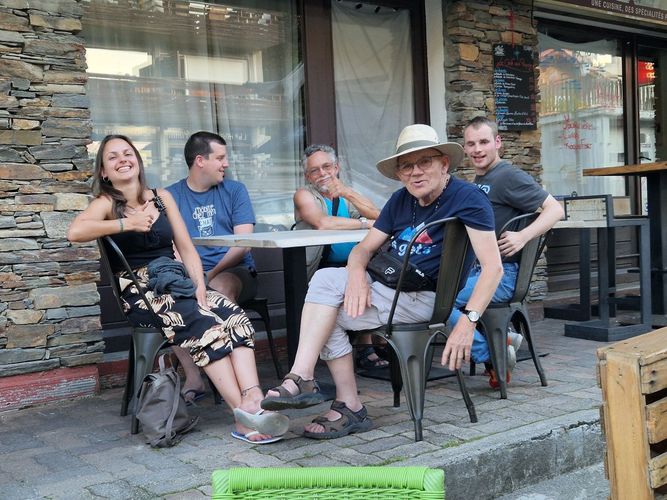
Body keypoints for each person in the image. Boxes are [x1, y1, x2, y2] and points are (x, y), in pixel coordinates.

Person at [260, 124, 503, 439]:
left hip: (424, 297)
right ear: (399, 174)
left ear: (444, 164)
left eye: (425, 162)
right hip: (387, 287)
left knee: (323, 301)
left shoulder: (468, 198)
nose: (415, 172)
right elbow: (363, 249)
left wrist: (468, 322)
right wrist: (356, 275)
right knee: (324, 299)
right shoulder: (401, 200)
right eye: (406, 166)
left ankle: (320, 388)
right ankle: (329, 393)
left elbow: (493, 268)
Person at [67, 134, 288, 444]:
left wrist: (200, 287)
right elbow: (76, 231)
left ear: (138, 161)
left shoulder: (162, 198)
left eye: (128, 153)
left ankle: (254, 399)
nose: (122, 160)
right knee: (204, 324)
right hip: (141, 292)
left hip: (176, 280)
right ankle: (240, 416)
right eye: (112, 157)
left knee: (232, 314)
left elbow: (186, 248)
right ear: (104, 171)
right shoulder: (106, 203)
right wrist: (127, 224)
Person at [452, 116, 564, 389]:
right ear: (464, 148)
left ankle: (493, 353)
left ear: (498, 142)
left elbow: (555, 210)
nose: (477, 149)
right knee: (431, 292)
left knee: (438, 301)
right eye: (471, 144)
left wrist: (523, 236)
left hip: (502, 276)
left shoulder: (508, 176)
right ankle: (500, 342)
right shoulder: (482, 179)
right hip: (480, 272)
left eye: (484, 142)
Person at [166, 131, 258, 404]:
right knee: (172, 302)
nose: (225, 164)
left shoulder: (235, 190)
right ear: (200, 161)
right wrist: (193, 277)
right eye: (220, 158)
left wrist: (211, 274)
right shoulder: (171, 196)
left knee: (218, 292)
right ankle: (194, 376)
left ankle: (238, 381)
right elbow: (171, 247)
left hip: (233, 272)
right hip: (190, 273)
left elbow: (243, 243)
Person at [294, 144, 385, 369]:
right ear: (307, 176)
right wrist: (364, 223)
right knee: (354, 280)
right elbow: (323, 223)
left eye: (327, 166)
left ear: (336, 168)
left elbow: (380, 217)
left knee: (369, 281)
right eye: (314, 170)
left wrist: (347, 192)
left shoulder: (345, 195)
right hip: (318, 268)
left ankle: (367, 346)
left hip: (352, 263)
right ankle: (354, 351)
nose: (322, 173)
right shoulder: (304, 195)